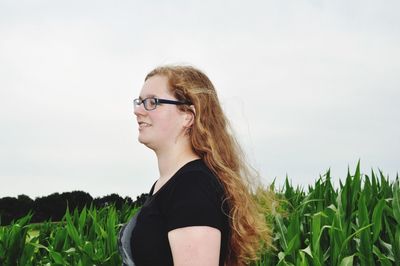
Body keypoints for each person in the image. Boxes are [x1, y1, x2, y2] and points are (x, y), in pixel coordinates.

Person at [118, 65, 272, 266]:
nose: (137, 111)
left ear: (187, 116)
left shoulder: (192, 186)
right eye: (139, 102)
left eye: (152, 102)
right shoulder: (167, 185)